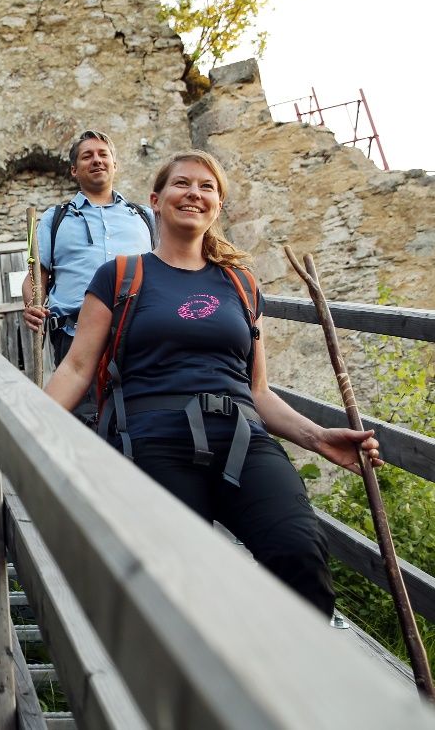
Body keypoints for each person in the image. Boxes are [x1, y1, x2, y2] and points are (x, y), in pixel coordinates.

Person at [43, 150, 382, 616]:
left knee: (298, 551)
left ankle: (286, 663)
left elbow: (258, 391)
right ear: (155, 200)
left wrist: (319, 438)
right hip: (151, 438)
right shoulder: (120, 275)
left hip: (242, 437)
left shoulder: (241, 284)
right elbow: (77, 368)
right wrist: (27, 422)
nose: (194, 194)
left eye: (207, 187)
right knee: (183, 581)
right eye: (182, 183)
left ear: (218, 206)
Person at [22, 130, 154, 370]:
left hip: (142, 337)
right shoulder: (54, 219)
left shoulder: (145, 217)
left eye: (103, 154)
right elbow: (35, 277)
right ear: (74, 170)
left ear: (115, 164)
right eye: (87, 156)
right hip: (75, 338)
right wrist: (32, 306)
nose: (96, 160)